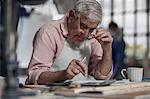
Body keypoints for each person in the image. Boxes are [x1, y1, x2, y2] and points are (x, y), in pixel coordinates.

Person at [25, 0, 113, 85]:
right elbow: (34, 75)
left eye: (91, 29)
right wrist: (64, 75)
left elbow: (102, 76)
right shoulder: (49, 32)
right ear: (71, 15)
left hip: (80, 93)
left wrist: (107, 49)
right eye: (83, 26)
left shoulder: (93, 37)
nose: (85, 34)